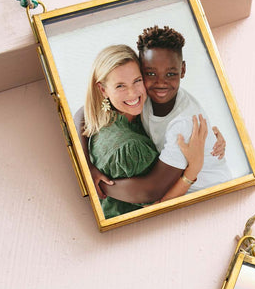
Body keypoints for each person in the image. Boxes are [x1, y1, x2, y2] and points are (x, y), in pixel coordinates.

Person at [93, 25, 232, 205]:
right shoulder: (143, 97)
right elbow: (83, 112)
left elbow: (150, 192)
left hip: (209, 194)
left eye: (170, 74)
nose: (160, 83)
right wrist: (89, 168)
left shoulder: (183, 124)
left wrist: (100, 186)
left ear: (182, 70)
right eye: (150, 73)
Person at [81, 45, 208, 219]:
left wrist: (87, 165)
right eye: (120, 86)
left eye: (137, 80)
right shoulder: (131, 148)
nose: (133, 93)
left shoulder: (106, 113)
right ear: (103, 90)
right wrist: (194, 168)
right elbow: (158, 203)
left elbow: (81, 112)